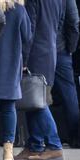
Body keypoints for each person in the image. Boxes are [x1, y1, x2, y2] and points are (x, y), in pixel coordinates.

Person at [0, 0, 32, 160]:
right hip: (11, 63)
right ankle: (8, 153)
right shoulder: (19, 11)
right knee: (9, 107)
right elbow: (27, 37)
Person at [15, 0, 66, 160]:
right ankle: (35, 144)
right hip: (50, 53)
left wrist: (24, 60)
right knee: (34, 101)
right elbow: (61, 24)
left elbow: (29, 30)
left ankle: (54, 144)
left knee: (38, 102)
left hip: (35, 55)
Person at [51, 0, 80, 148]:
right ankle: (75, 136)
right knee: (69, 94)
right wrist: (71, 48)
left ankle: (45, 137)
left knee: (37, 93)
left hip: (42, 49)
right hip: (62, 49)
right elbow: (74, 22)